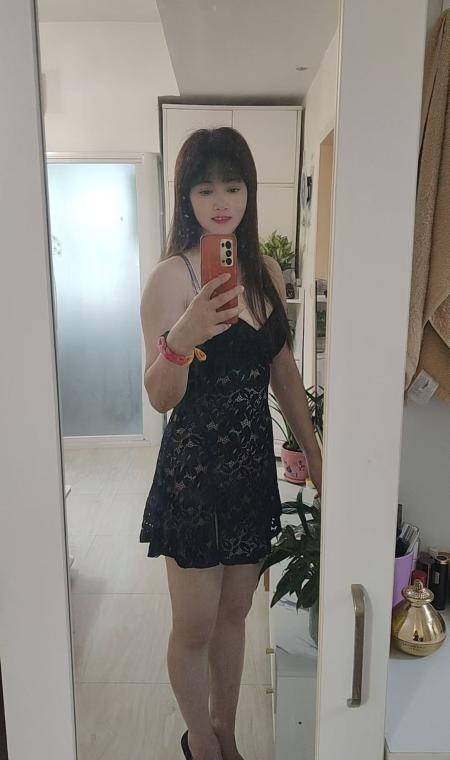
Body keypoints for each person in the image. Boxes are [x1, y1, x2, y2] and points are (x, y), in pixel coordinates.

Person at [139, 127, 322, 760]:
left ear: (250, 192)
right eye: (205, 188)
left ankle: (227, 732)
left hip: (249, 475)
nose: (221, 202)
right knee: (193, 626)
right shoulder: (170, 279)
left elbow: (286, 375)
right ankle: (201, 743)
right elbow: (160, 397)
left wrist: (317, 460)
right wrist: (183, 334)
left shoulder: (265, 271)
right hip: (193, 478)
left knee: (235, 615)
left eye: (234, 187)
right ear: (185, 197)